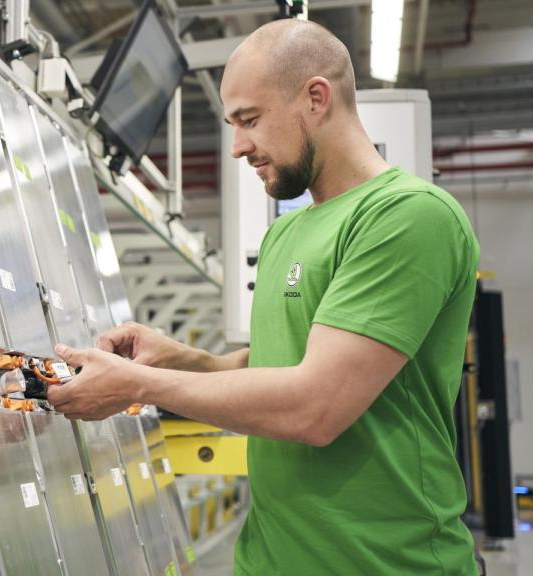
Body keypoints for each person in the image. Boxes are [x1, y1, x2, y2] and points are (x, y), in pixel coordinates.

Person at [48, 18, 481, 576]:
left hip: (386, 564)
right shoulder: (285, 232)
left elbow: (316, 406)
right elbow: (278, 363)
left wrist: (139, 384)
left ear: (316, 98)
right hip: (269, 560)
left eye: (249, 120)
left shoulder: (407, 216)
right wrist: (184, 360)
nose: (236, 147)